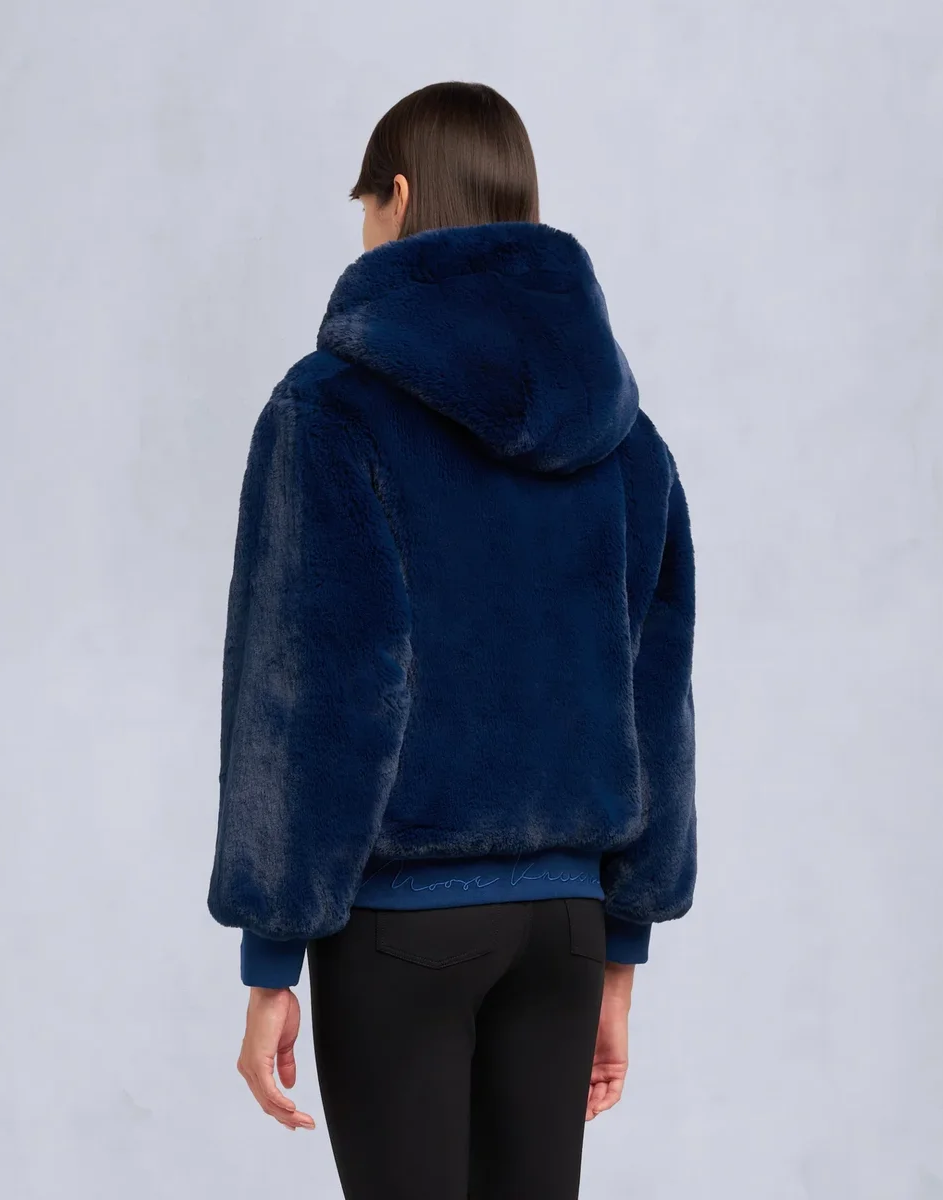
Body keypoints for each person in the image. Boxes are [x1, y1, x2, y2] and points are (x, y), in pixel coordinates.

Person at [207, 80, 696, 1200]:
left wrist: (271, 955)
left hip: (403, 932)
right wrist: (622, 945)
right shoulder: (625, 436)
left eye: (365, 206)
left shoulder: (330, 410)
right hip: (565, 932)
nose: (363, 230)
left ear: (399, 194)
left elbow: (307, 694)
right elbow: (655, 690)